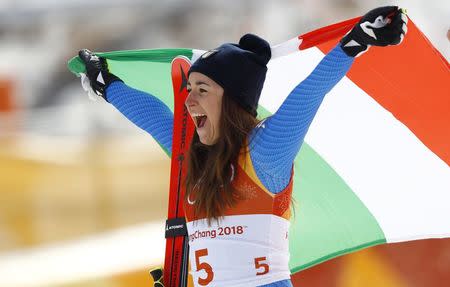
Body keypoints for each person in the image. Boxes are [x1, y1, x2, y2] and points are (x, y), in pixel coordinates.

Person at [78, 6, 407, 287]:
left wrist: (356, 41)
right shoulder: (191, 153)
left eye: (202, 90)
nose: (189, 101)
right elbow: (155, 117)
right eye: (188, 89)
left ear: (231, 99)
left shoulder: (263, 153)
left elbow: (307, 96)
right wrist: (107, 85)